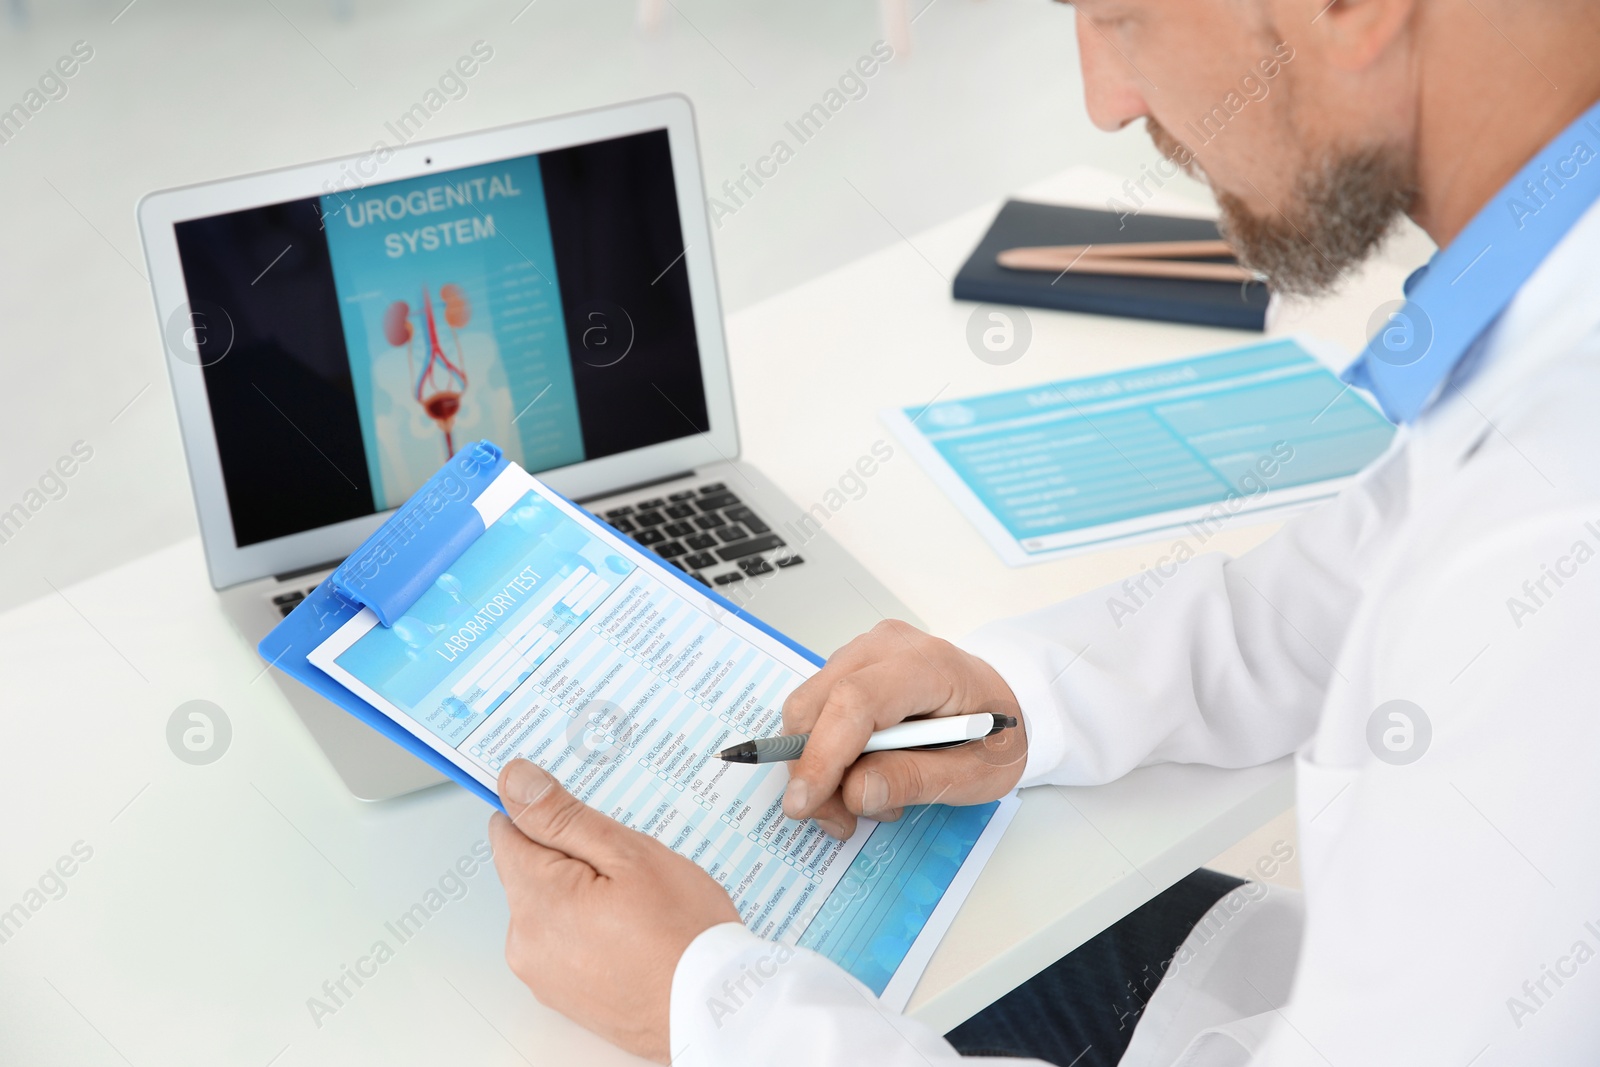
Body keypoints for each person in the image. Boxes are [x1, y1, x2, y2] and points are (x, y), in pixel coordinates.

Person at [485, 0, 1600, 1062]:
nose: (1103, 99)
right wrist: (1020, 694)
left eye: (1120, 19)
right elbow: (1349, 583)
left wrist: (707, 1004)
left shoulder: (1551, 533)